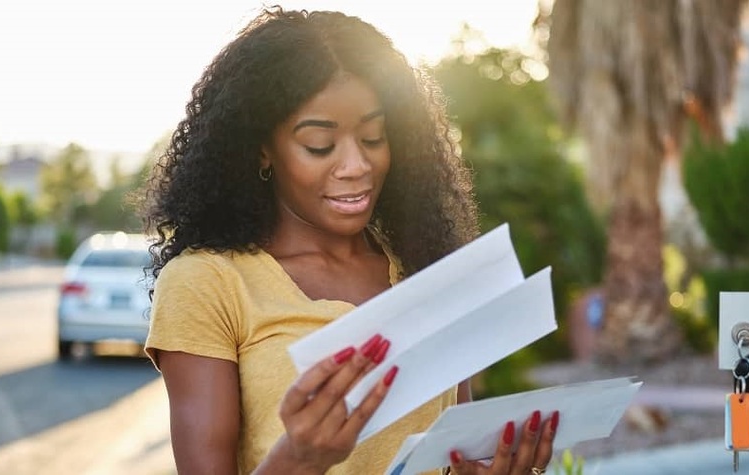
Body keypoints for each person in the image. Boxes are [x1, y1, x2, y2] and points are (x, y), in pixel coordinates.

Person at [139, 8, 560, 475]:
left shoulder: (421, 263)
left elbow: (448, 454)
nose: (356, 165)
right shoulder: (207, 283)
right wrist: (299, 460)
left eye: (374, 137)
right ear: (261, 148)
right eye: (320, 144)